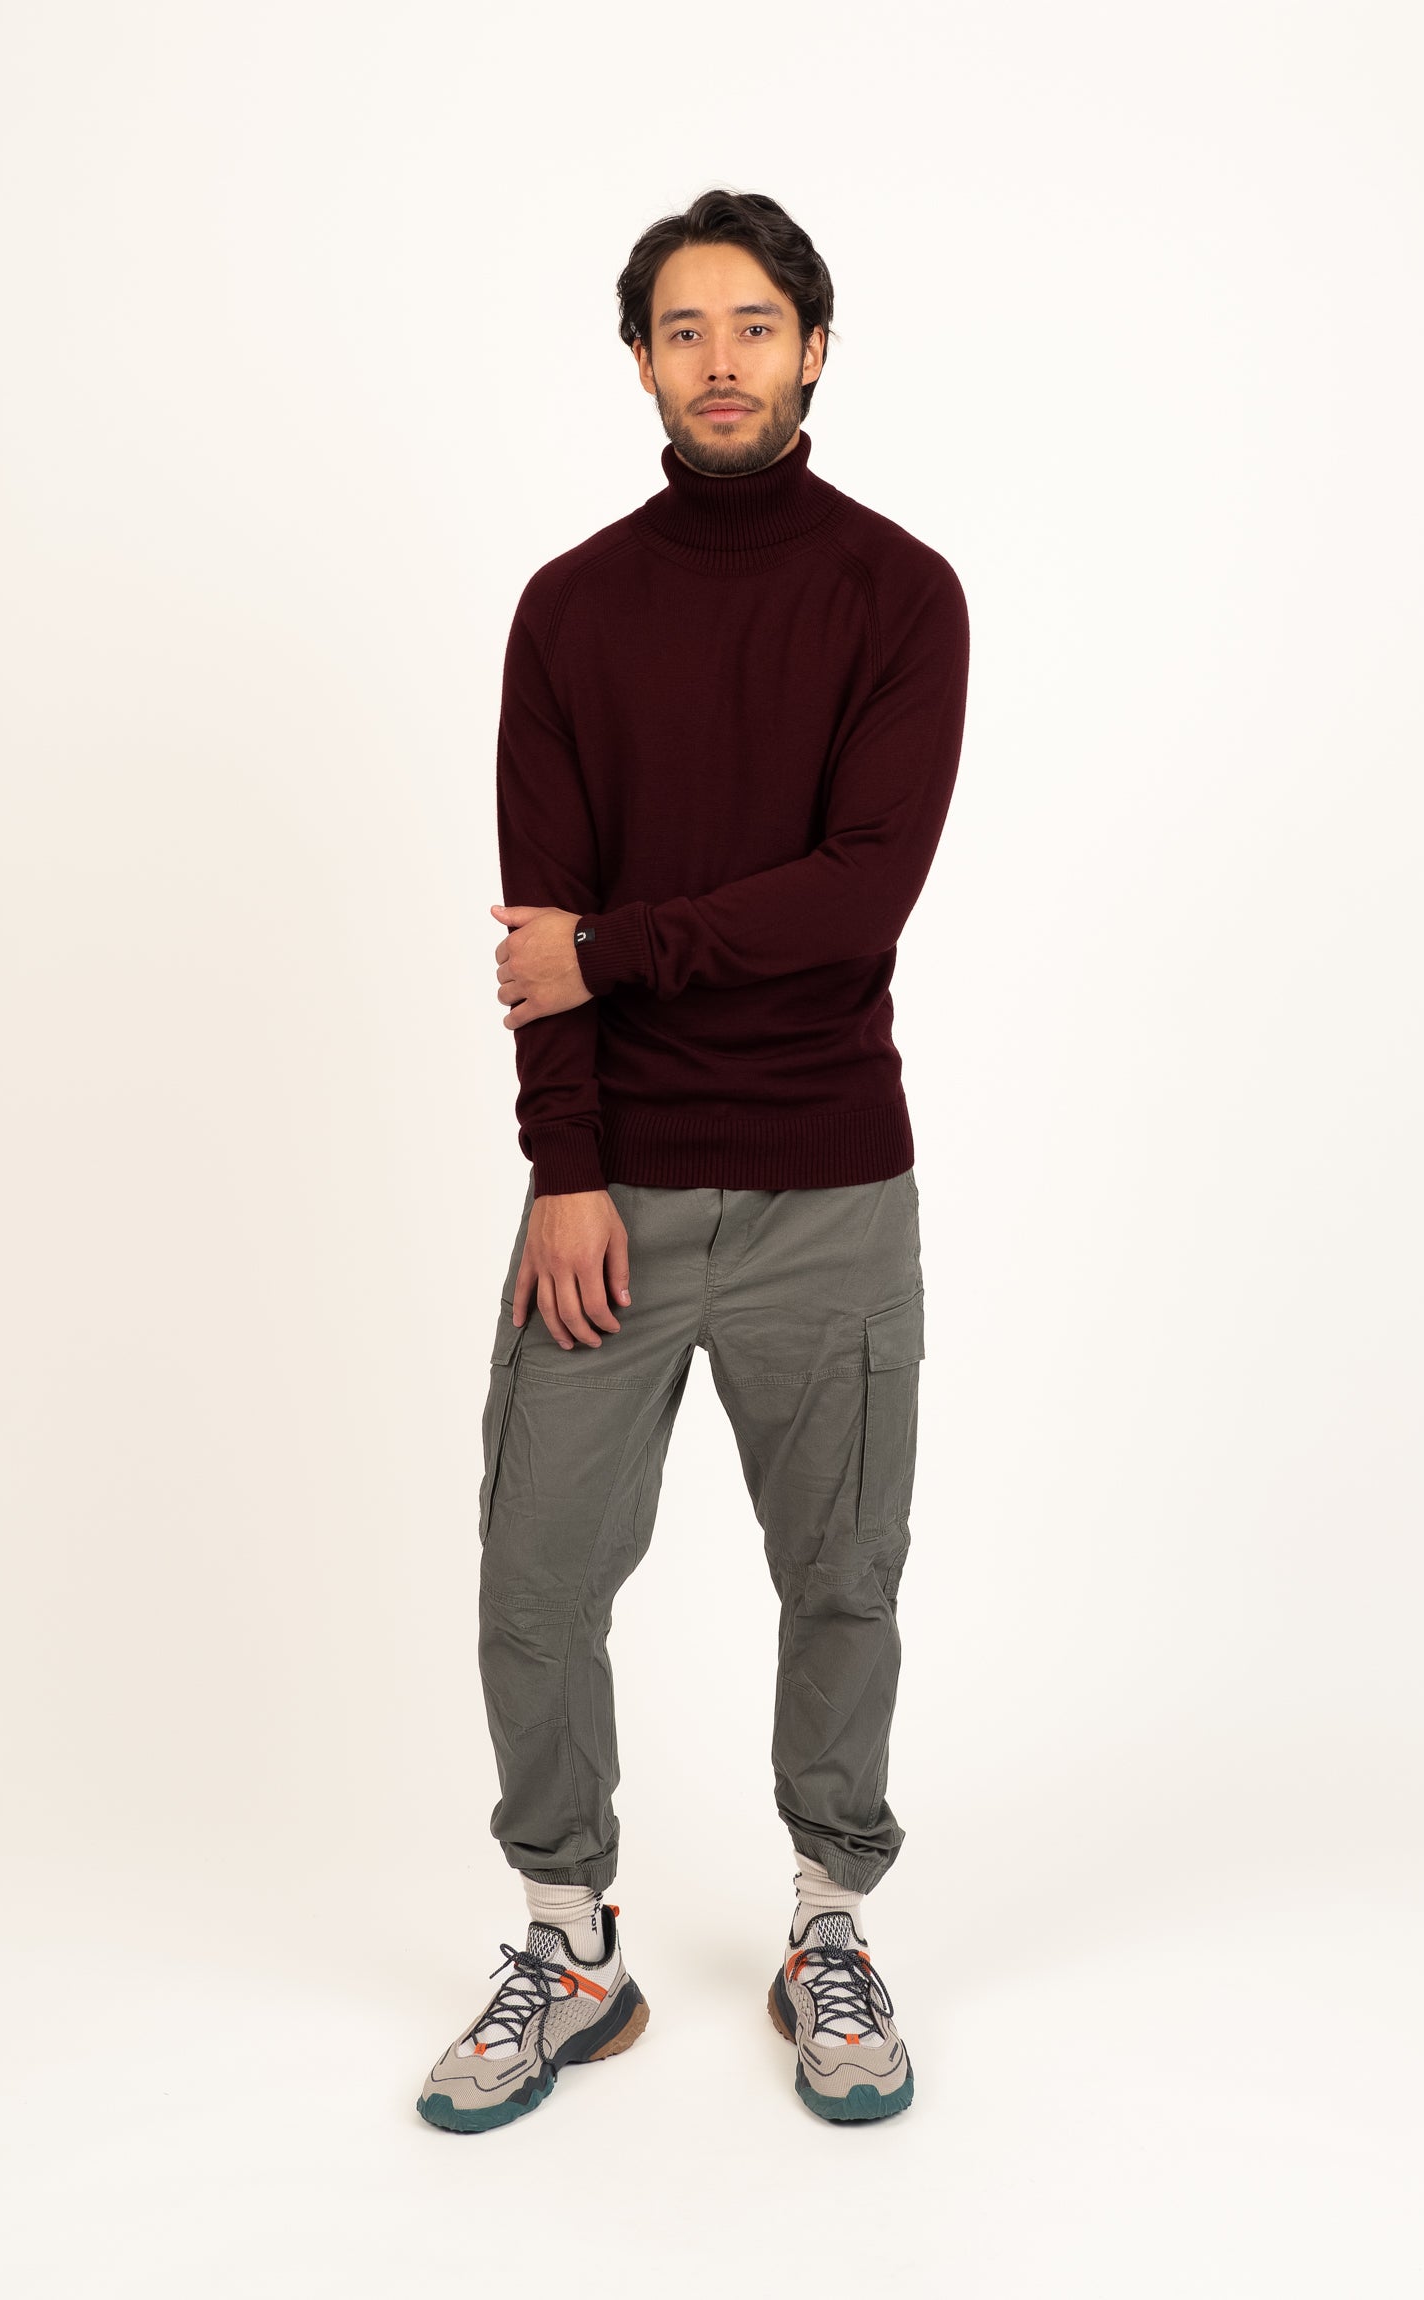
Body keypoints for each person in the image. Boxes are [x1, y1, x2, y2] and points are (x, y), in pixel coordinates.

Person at [415, 188, 970, 2133]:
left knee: (843, 1580)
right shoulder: (572, 609)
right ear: (640, 361)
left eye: (752, 325)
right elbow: (536, 925)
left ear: (814, 348)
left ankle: (831, 1925)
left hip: (831, 1187)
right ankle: (569, 1949)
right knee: (534, 1583)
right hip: (614, 1194)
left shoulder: (899, 596)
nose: (719, 359)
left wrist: (616, 949)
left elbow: (855, 896)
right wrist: (566, 1165)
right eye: (681, 328)